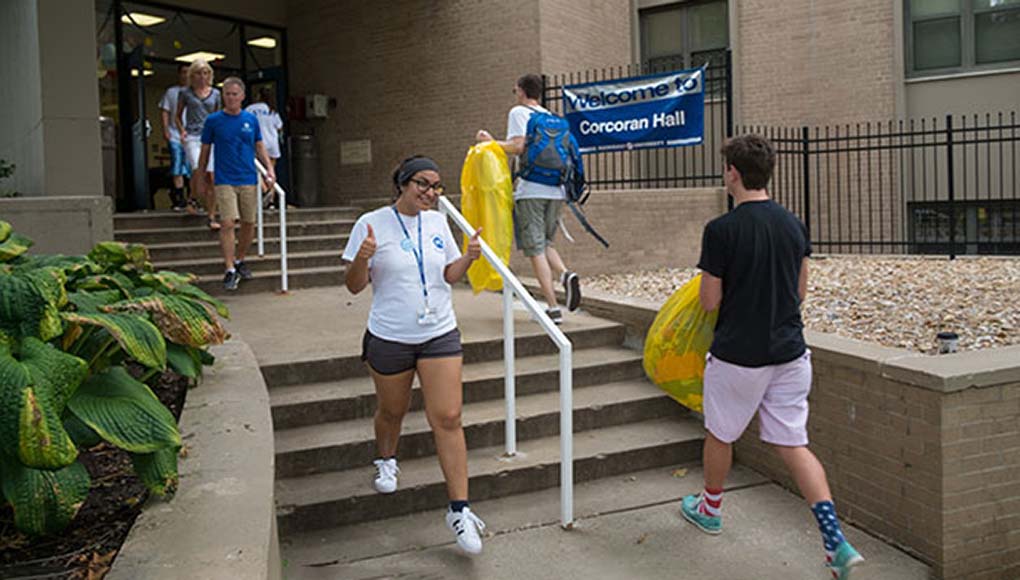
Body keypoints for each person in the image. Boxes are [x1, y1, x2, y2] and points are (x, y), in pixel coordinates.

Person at [680, 135, 864, 579]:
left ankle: (710, 507)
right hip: (790, 353)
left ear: (733, 174)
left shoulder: (721, 231)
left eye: (726, 169)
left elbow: (708, 302)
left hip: (738, 357)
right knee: (793, 443)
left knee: (721, 434)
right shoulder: (793, 224)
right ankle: (834, 540)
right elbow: (800, 291)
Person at [341, 155, 486, 554]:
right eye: (423, 184)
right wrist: (363, 257)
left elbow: (446, 276)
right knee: (392, 411)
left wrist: (469, 257)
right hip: (390, 335)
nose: (431, 193)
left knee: (449, 416)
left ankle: (459, 510)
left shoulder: (438, 222)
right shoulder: (371, 223)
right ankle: (386, 457)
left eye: (437, 187)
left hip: (438, 331)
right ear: (402, 184)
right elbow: (354, 286)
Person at [475, 73, 580, 325]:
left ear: (522, 91)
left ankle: (553, 308)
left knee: (535, 250)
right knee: (546, 243)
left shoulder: (519, 113)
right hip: (556, 190)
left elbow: (518, 146)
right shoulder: (551, 117)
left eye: (515, 91)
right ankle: (565, 275)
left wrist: (490, 143)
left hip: (531, 189)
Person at [196, 77, 275, 291]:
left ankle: (240, 260)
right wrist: (200, 177)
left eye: (234, 94)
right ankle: (229, 268)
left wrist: (269, 168)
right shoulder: (214, 121)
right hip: (224, 180)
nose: (230, 98)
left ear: (242, 97)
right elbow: (204, 151)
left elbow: (259, 146)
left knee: (249, 223)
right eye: (227, 94)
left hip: (248, 178)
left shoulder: (250, 120)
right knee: (228, 222)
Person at [176, 59, 222, 229]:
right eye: (198, 73)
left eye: (205, 73)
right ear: (192, 75)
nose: (202, 76)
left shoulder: (216, 94)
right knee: (197, 167)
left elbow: (218, 115)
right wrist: (181, 130)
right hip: (193, 136)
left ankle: (211, 216)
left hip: (211, 136)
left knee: (211, 176)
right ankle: (193, 198)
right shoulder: (185, 93)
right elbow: (178, 114)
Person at [158, 63, 191, 211]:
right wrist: (165, 129)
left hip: (192, 135)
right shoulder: (171, 92)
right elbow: (165, 111)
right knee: (177, 165)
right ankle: (179, 197)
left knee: (192, 166)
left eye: (188, 73)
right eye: (183, 72)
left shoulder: (196, 93)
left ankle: (191, 198)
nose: (186, 75)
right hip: (175, 134)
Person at [245, 87, 284, 208]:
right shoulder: (273, 111)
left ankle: (264, 189)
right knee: (270, 170)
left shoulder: (250, 109)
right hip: (272, 144)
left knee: (255, 170)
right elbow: (279, 127)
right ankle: (271, 200)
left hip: (257, 143)